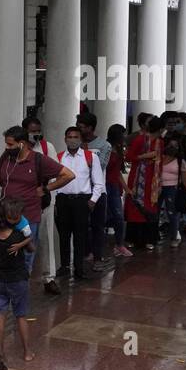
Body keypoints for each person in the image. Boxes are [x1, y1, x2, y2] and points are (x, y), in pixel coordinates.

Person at [0, 125, 73, 287]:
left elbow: (68, 175)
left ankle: (20, 291)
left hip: (28, 217)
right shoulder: (6, 158)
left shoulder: (38, 159)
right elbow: (2, 179)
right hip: (6, 217)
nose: (7, 148)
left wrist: (46, 189)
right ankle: (7, 290)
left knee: (25, 258)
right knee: (5, 255)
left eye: (10, 145)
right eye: (6, 144)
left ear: (22, 143)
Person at [0, 200, 34, 362]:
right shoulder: (17, 235)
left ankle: (0, 352)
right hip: (17, 280)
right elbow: (31, 248)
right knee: (20, 316)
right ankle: (27, 352)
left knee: (0, 315)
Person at [54, 127, 103, 281]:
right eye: (69, 136)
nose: (72, 139)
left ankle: (79, 268)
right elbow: (53, 181)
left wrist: (92, 200)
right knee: (63, 235)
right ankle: (64, 266)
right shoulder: (59, 157)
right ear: (65, 139)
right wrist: (55, 200)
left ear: (81, 139)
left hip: (82, 201)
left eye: (75, 137)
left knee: (80, 236)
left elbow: (99, 183)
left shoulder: (90, 157)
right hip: (63, 201)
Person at [22, 115, 63, 295]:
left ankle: (49, 277)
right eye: (32, 131)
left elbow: (56, 172)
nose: (36, 134)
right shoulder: (18, 148)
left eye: (38, 131)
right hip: (23, 202)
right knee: (24, 239)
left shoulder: (47, 148)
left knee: (47, 239)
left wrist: (47, 190)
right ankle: (21, 277)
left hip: (44, 200)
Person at [77, 112, 112, 267]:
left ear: (90, 128)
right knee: (82, 226)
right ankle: (84, 253)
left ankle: (98, 257)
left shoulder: (104, 145)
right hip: (80, 191)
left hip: (98, 191)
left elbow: (101, 166)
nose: (79, 130)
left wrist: (85, 153)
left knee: (98, 225)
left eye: (82, 127)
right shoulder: (75, 143)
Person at [125, 116, 165, 250]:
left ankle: (149, 239)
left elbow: (160, 162)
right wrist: (144, 156)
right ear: (160, 129)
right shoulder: (140, 140)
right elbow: (129, 157)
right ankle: (132, 238)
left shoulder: (160, 142)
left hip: (153, 179)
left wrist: (159, 181)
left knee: (151, 206)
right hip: (138, 178)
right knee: (135, 206)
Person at [105, 124, 133, 258]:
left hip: (114, 186)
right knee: (106, 217)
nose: (126, 136)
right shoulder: (107, 149)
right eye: (123, 134)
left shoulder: (119, 149)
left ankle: (119, 245)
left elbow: (118, 172)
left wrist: (126, 188)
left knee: (118, 216)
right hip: (105, 186)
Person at [159, 130, 186, 245]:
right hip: (158, 187)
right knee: (155, 212)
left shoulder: (180, 161)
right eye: (171, 145)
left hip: (172, 188)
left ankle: (174, 237)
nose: (173, 148)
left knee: (172, 213)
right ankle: (152, 236)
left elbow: (185, 180)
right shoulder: (159, 157)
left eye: (176, 146)